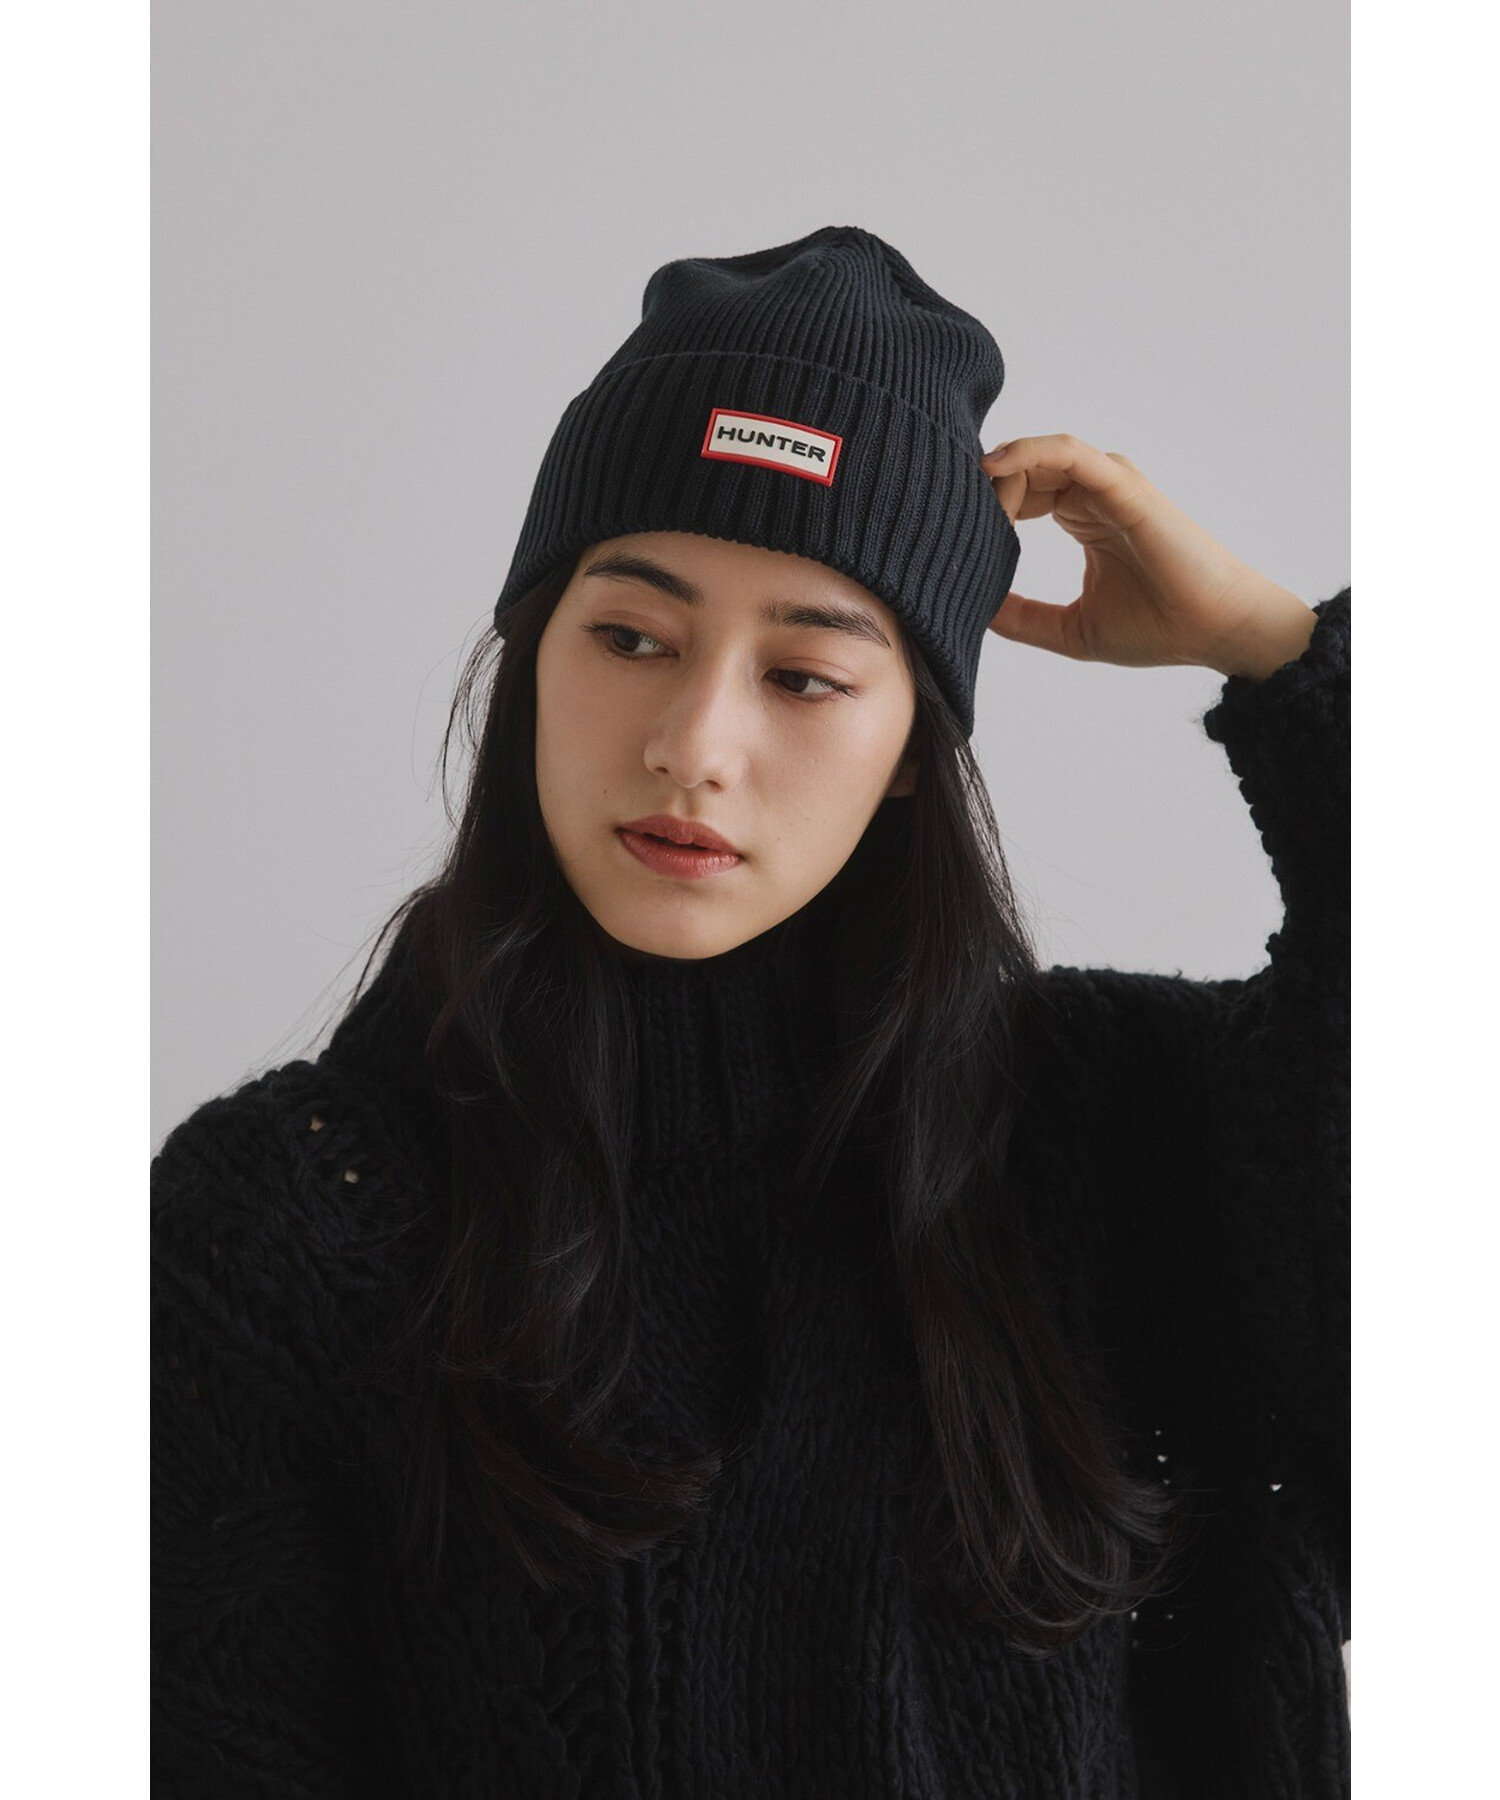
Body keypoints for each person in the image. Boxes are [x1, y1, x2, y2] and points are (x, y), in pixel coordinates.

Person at [152, 225, 1350, 1797]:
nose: (693, 745)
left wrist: (1287, 660)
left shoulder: (1119, 1134)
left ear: (913, 746)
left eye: (804, 676)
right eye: (631, 638)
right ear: (532, 658)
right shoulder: (286, 1236)